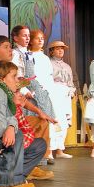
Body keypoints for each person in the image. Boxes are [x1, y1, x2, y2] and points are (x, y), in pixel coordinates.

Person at [0, 35, 54, 181]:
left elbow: (19, 98)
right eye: (6, 47)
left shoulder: (9, 71)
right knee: (21, 131)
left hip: (14, 114)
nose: (11, 50)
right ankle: (15, 170)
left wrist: (39, 111)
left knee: (41, 122)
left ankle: (31, 165)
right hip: (3, 119)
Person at [11, 25, 58, 164]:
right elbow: (17, 75)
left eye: (28, 36)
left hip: (35, 87)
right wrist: (24, 90)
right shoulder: (15, 54)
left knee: (44, 120)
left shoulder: (28, 54)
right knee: (30, 122)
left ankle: (43, 156)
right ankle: (29, 158)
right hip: (25, 90)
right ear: (15, 38)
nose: (27, 38)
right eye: (24, 35)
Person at [28, 30, 72, 159]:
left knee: (55, 120)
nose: (41, 40)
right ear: (31, 40)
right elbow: (31, 75)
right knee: (40, 121)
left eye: (42, 38)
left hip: (50, 91)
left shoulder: (44, 57)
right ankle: (45, 152)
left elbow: (48, 76)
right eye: (38, 38)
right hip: (37, 92)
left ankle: (54, 150)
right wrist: (37, 89)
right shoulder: (29, 56)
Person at [49, 40, 76, 157]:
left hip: (65, 93)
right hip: (54, 92)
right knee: (55, 120)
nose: (60, 50)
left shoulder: (67, 66)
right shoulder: (49, 63)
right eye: (57, 48)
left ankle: (60, 149)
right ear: (52, 51)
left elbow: (70, 82)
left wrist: (71, 91)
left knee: (64, 121)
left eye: (62, 49)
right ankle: (50, 150)